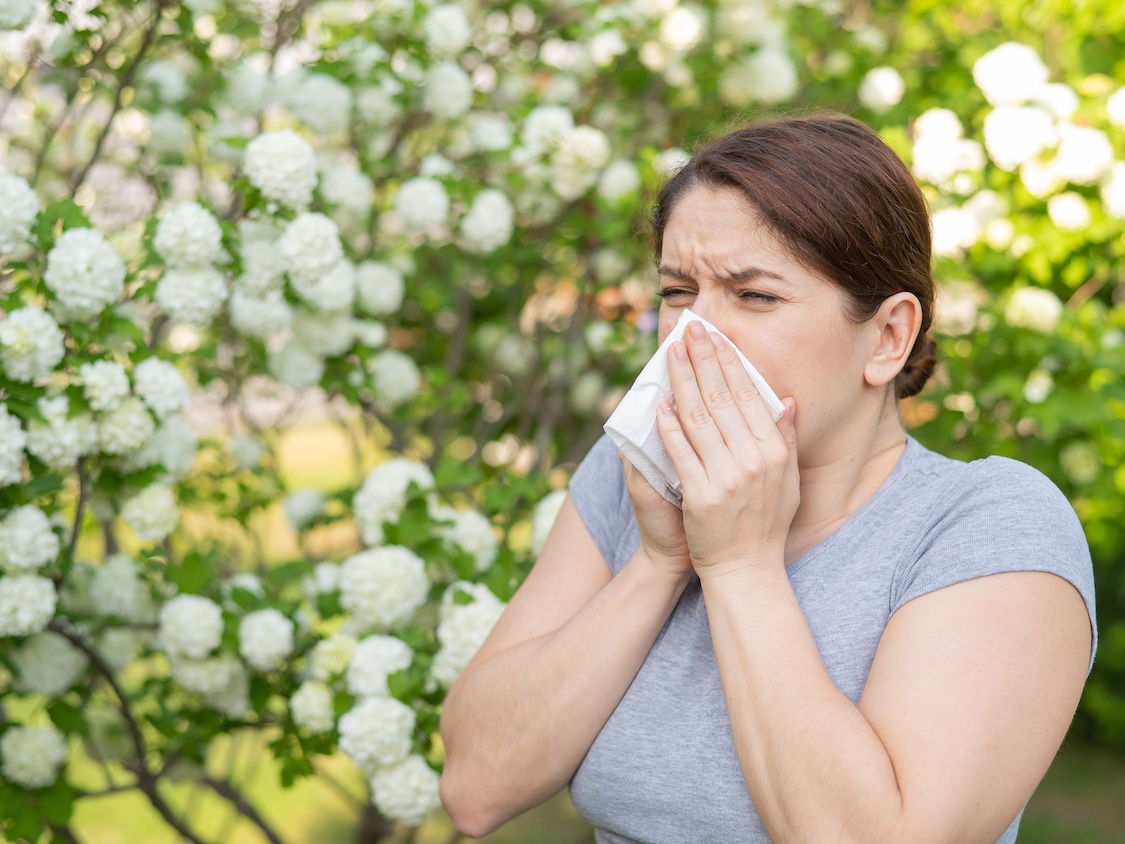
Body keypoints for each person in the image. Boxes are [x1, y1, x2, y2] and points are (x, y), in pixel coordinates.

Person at [439, 114, 1097, 843]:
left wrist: (741, 566)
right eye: (678, 292)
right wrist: (660, 563)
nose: (693, 335)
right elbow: (474, 783)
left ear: (886, 338)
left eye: (754, 297)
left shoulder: (985, 524)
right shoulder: (637, 477)